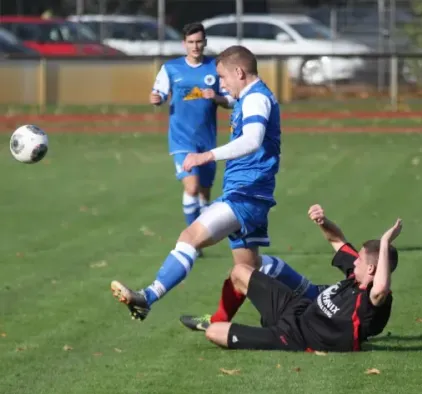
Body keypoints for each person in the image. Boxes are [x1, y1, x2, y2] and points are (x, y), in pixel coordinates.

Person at [110, 45, 287, 322]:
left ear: (239, 72)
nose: (222, 84)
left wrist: (207, 155)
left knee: (189, 238)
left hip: (245, 195)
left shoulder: (255, 99)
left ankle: (148, 296)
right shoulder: (251, 97)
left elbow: (252, 141)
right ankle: (311, 296)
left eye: (224, 78)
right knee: (248, 269)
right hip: (252, 194)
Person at [204, 204, 402, 352]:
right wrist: (323, 222)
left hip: (295, 337)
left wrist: (385, 242)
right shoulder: (355, 275)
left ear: (371, 269)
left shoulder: (371, 301)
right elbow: (337, 240)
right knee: (239, 270)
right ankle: (221, 316)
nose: (355, 261)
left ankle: (224, 325)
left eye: (359, 259)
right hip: (295, 308)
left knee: (213, 332)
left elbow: (381, 287)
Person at [150, 22, 234, 229]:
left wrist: (216, 97)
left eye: (198, 42)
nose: (195, 46)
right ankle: (193, 238)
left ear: (205, 42)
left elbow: (231, 100)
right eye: (191, 42)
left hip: (206, 140)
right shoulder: (171, 68)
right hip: (181, 139)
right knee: (192, 187)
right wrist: (156, 98)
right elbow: (159, 93)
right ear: (184, 44)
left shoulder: (215, 68)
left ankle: (203, 234)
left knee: (205, 193)